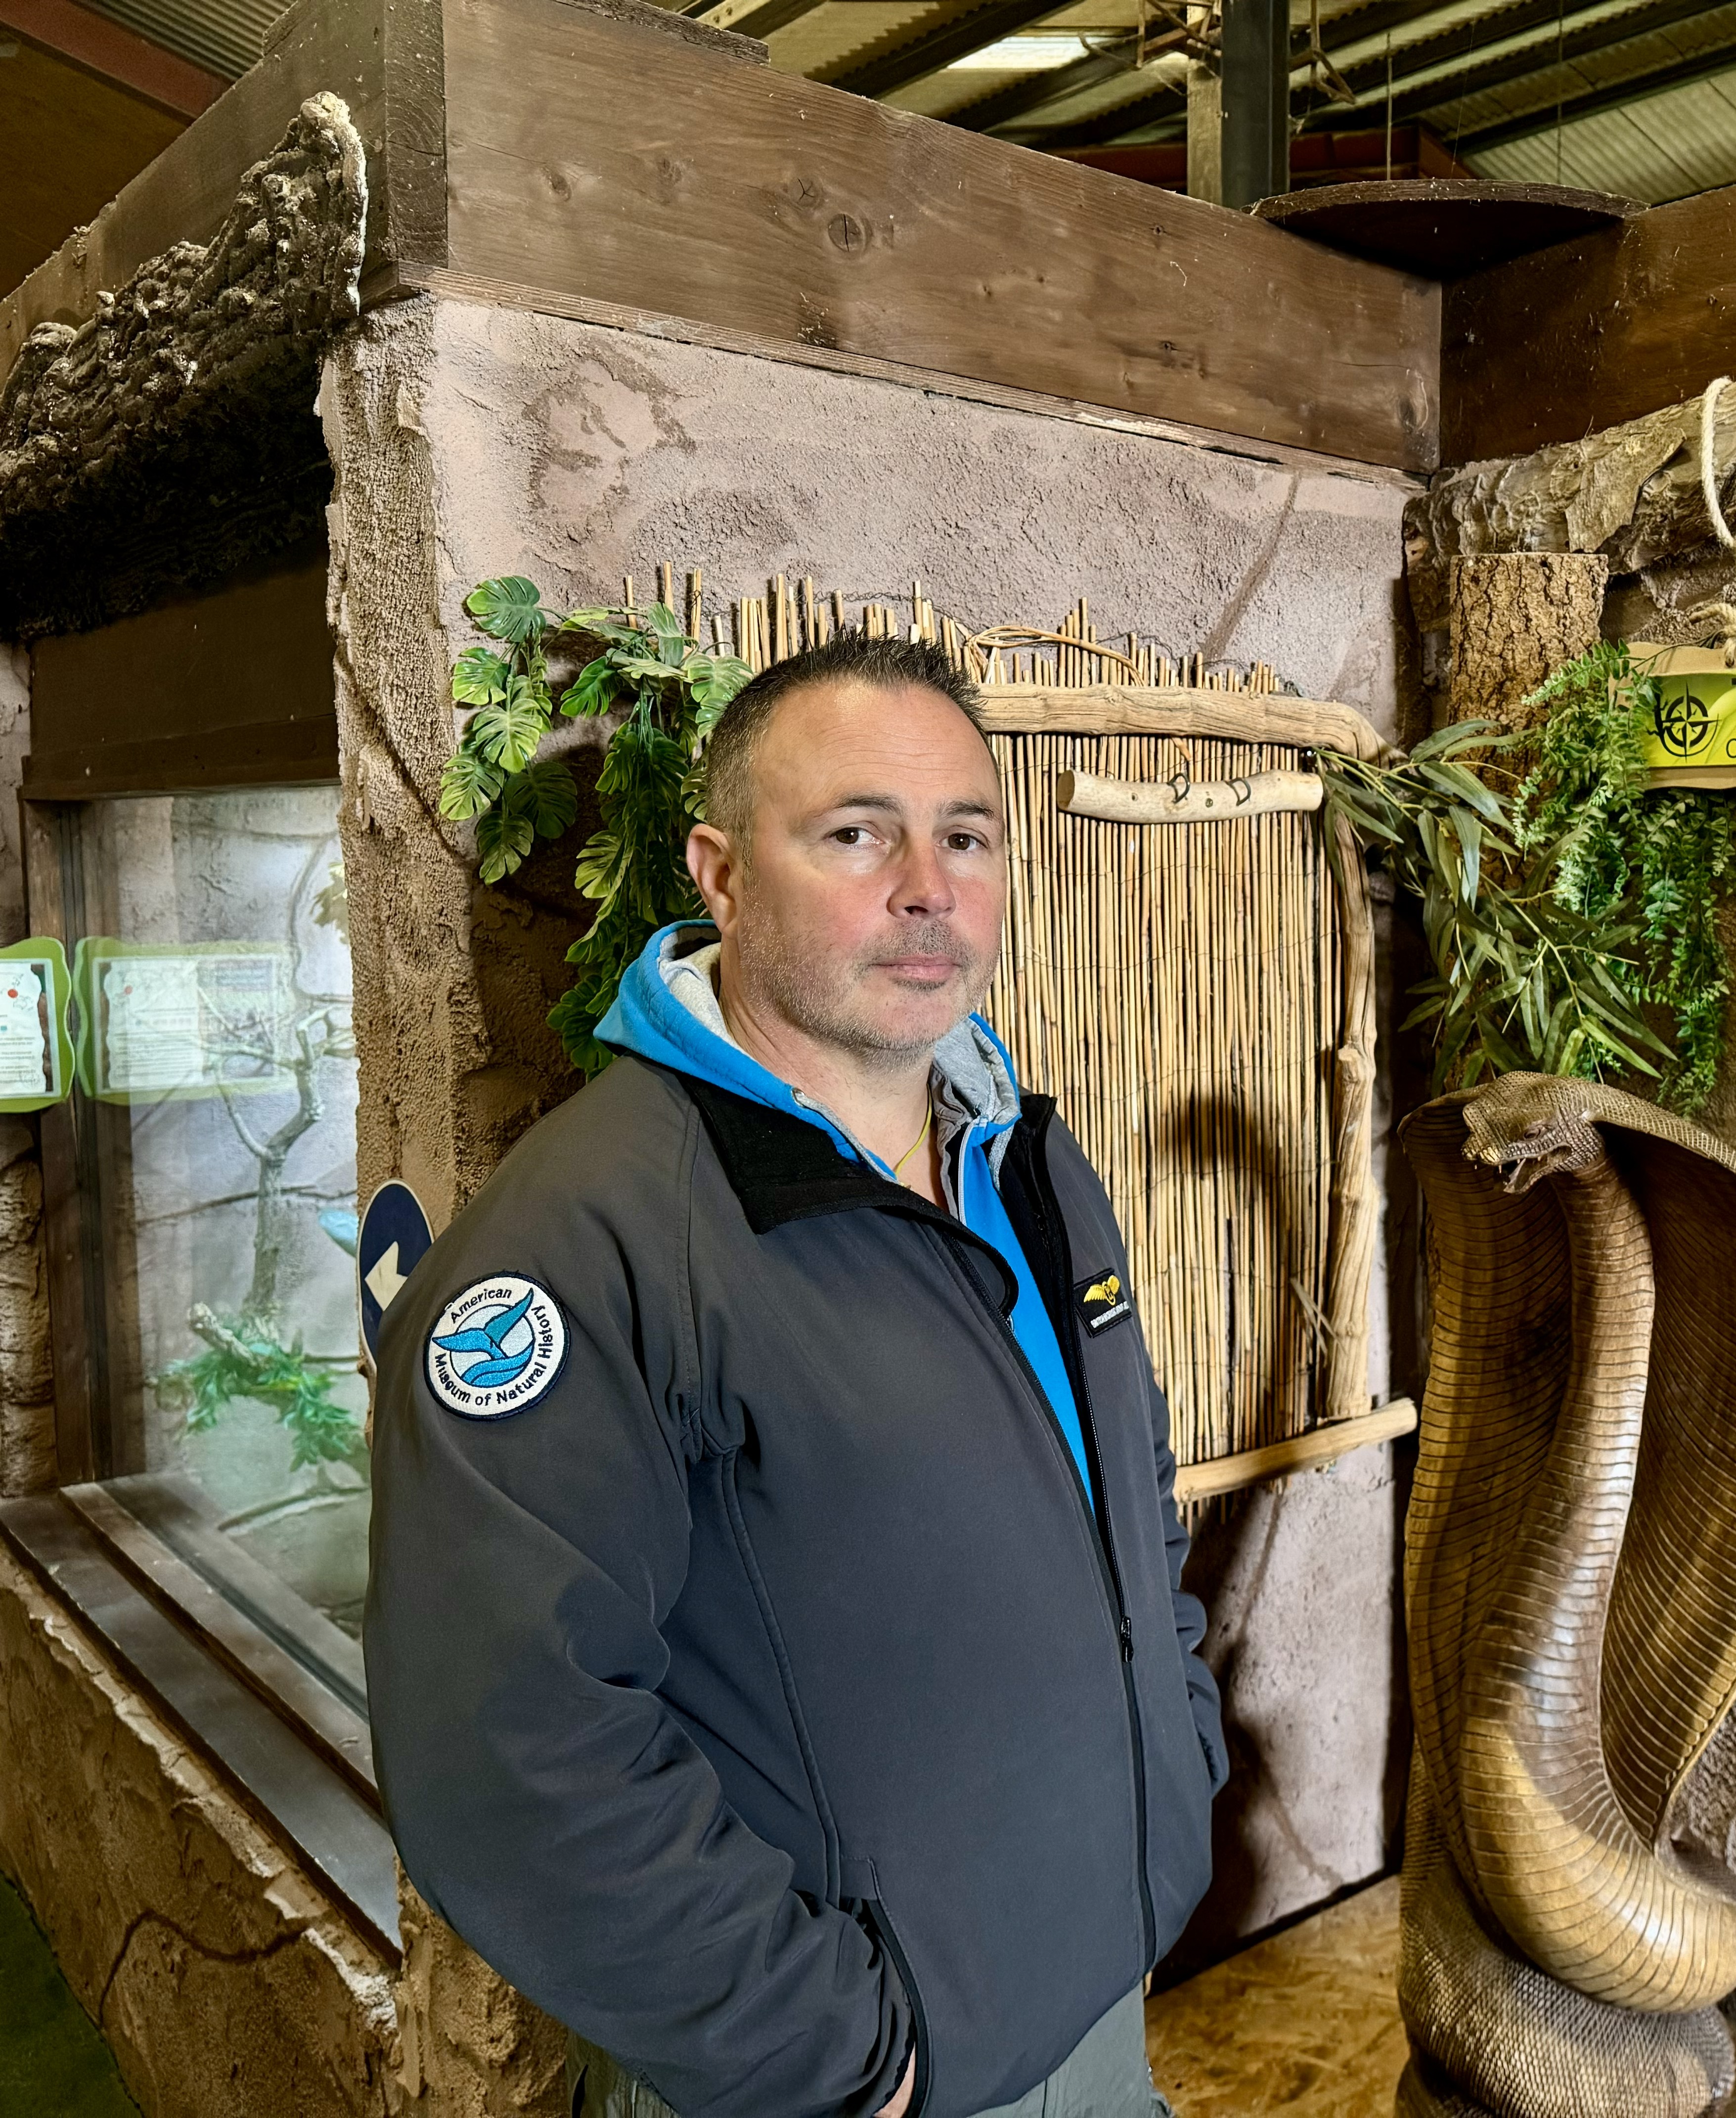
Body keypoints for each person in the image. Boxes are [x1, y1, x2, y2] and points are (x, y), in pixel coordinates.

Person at [365, 634, 1222, 2118]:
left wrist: (1176, 1755)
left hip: (1088, 2006)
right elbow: (506, 1748)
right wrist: (836, 2052)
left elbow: (1124, 1491)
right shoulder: (589, 1245)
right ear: (719, 872)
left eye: (965, 833)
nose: (926, 885)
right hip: (844, 2075)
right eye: (854, 833)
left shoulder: (1024, 1161)